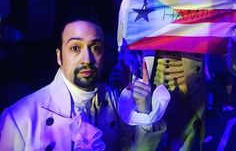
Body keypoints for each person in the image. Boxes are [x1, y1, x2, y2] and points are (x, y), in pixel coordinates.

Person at [0, 17, 170, 151]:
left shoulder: (118, 102)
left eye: (95, 48)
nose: (87, 59)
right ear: (60, 57)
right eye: (75, 48)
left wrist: (144, 111)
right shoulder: (20, 118)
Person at [111, 0, 207, 151]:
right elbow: (122, 55)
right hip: (144, 109)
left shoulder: (209, 11)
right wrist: (124, 59)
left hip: (189, 111)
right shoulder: (132, 6)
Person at [205, 0, 235, 112]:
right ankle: (220, 103)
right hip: (214, 44)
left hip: (230, 44)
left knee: (229, 75)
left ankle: (223, 103)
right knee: (212, 77)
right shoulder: (213, 0)